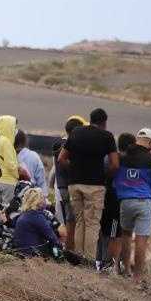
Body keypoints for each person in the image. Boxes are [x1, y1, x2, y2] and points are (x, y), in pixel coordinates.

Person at [58, 108, 119, 266]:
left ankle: (78, 258)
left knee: (80, 221)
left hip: (74, 184)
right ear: (104, 122)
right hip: (95, 186)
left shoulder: (76, 132)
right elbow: (115, 164)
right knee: (92, 223)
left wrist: (74, 170)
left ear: (90, 120)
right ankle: (89, 261)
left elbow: (61, 158)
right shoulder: (107, 136)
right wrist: (103, 175)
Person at [115, 127, 151, 283]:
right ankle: (137, 277)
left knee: (126, 235)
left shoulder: (123, 157)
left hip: (125, 201)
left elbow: (116, 180)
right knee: (141, 238)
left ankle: (126, 270)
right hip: (144, 201)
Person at [99, 133, 134, 273]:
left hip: (108, 199)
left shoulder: (110, 158)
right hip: (116, 203)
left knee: (109, 233)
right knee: (115, 235)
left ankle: (108, 262)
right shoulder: (127, 161)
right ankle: (110, 264)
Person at [51, 116, 85, 251]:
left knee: (67, 220)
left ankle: (67, 248)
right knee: (72, 221)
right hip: (69, 186)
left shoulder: (58, 144)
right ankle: (70, 250)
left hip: (61, 187)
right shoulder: (68, 146)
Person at [11, 187, 62, 257]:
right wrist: (61, 247)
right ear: (38, 202)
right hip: (33, 254)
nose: (45, 201)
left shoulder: (23, 215)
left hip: (21, 252)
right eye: (43, 198)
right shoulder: (36, 216)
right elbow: (52, 237)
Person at [0, 115, 22, 208]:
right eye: (14, 127)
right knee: (7, 209)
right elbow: (10, 164)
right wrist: (18, 174)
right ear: (8, 126)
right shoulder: (6, 142)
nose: (15, 130)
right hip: (8, 181)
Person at [15, 130, 46, 197]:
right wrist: (44, 196)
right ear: (24, 141)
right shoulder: (33, 156)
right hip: (32, 196)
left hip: (14, 196)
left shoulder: (7, 157)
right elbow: (41, 180)